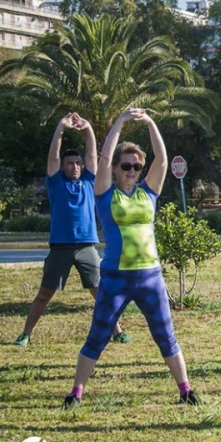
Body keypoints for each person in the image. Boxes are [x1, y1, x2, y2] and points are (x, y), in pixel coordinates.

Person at [63, 108, 200, 408]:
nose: (132, 170)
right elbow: (102, 159)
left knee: (166, 337)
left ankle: (186, 391)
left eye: (137, 166)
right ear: (115, 168)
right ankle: (76, 393)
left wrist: (151, 122)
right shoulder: (104, 193)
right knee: (97, 337)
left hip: (150, 277)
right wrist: (121, 122)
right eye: (126, 165)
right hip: (115, 279)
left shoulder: (148, 192)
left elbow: (162, 160)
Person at [14, 113, 128, 347]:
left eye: (77, 163)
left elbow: (93, 155)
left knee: (100, 293)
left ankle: (117, 331)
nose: (74, 166)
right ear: (63, 167)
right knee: (45, 294)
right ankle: (25, 334)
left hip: (87, 246)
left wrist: (88, 129)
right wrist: (61, 127)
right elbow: (53, 156)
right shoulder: (56, 182)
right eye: (70, 163)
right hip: (60, 247)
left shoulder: (89, 180)